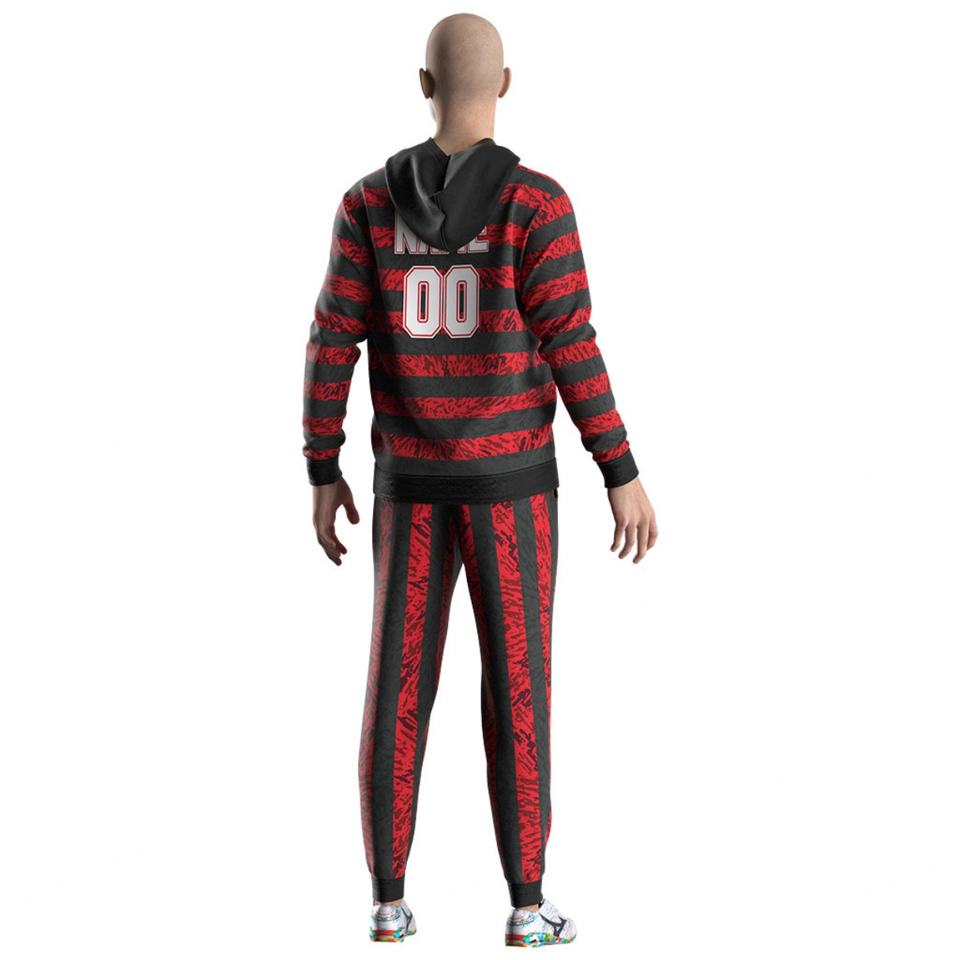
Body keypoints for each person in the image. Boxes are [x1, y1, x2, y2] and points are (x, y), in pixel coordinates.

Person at [302, 12, 658, 946]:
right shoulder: (538, 204)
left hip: (408, 486)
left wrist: (321, 466)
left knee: (397, 685)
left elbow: (331, 340)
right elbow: (571, 341)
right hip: (514, 488)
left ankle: (388, 904)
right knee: (519, 689)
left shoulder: (366, 205)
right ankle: (527, 908)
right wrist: (619, 468)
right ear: (505, 84)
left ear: (424, 86)